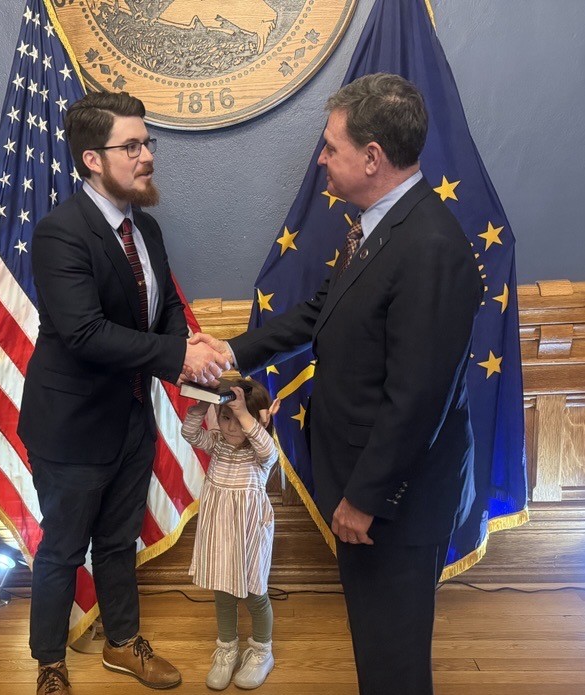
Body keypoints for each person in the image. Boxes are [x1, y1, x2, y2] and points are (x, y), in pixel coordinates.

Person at [191, 74, 483, 694]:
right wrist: (233, 348)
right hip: (365, 485)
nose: (321, 159)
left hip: (392, 503)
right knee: (376, 644)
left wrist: (366, 497)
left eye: (330, 147)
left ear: (372, 157)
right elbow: (322, 309)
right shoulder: (377, 227)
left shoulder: (430, 247)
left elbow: (418, 399)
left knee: (393, 660)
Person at [17, 91, 228, 695]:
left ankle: (120, 643)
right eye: (130, 146)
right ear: (92, 159)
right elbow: (84, 333)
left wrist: (193, 358)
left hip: (133, 418)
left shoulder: (148, 229)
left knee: (117, 541)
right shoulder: (60, 233)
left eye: (147, 144)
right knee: (62, 549)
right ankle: (49, 662)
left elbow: (155, 319)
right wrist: (176, 354)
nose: (146, 157)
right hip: (72, 425)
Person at [181, 377, 279, 690]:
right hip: (218, 533)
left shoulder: (261, 454)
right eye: (225, 418)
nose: (230, 427)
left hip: (249, 536)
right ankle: (226, 649)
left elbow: (265, 445)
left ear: (257, 420)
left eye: (238, 420)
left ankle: (262, 651)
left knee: (254, 594)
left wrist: (245, 414)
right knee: (222, 593)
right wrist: (204, 404)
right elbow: (189, 432)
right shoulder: (217, 444)